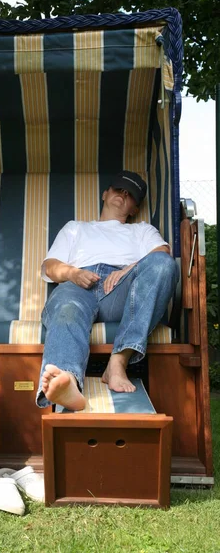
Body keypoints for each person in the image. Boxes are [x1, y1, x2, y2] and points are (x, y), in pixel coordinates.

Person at [36, 170, 178, 411]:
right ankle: (67, 381)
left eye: (130, 194)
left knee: (165, 265)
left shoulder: (142, 230)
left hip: (122, 289)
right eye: (118, 189)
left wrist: (127, 270)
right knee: (67, 309)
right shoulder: (75, 228)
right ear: (105, 194)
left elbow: (161, 256)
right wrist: (73, 273)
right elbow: (49, 266)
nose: (122, 195)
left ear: (134, 209)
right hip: (79, 283)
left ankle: (117, 363)